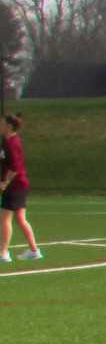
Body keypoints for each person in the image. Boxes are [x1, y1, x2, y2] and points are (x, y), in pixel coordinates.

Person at [0, 112, 40, 262]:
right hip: (20, 185)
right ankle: (34, 250)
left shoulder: (11, 143)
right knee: (20, 219)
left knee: (4, 219)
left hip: (15, 186)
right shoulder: (7, 140)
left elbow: (15, 168)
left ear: (9, 126)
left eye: (2, 123)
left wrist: (5, 182)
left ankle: (3, 253)